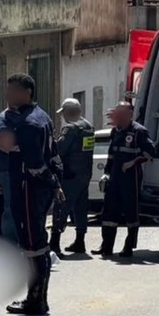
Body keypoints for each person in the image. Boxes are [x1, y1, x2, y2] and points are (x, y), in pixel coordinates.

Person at [0, 73, 62, 316]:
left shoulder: (28, 123)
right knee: (35, 242)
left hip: (28, 188)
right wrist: (55, 183)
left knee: (33, 244)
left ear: (27, 92)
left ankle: (36, 300)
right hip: (35, 188)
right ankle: (35, 297)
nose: (8, 95)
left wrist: (51, 181)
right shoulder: (41, 116)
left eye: (12, 90)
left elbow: (35, 164)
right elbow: (53, 155)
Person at [94, 102, 155, 258]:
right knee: (109, 210)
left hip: (131, 177)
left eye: (121, 113)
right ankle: (106, 246)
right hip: (115, 176)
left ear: (129, 114)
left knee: (130, 211)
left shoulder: (139, 131)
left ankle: (128, 247)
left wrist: (133, 162)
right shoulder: (116, 131)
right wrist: (106, 173)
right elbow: (111, 154)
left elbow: (150, 152)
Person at [51, 97, 94, 257]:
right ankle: (80, 241)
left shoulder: (70, 129)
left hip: (69, 174)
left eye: (63, 113)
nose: (63, 116)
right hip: (84, 174)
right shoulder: (88, 127)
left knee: (62, 206)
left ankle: (54, 243)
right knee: (81, 207)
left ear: (69, 112)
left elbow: (59, 149)